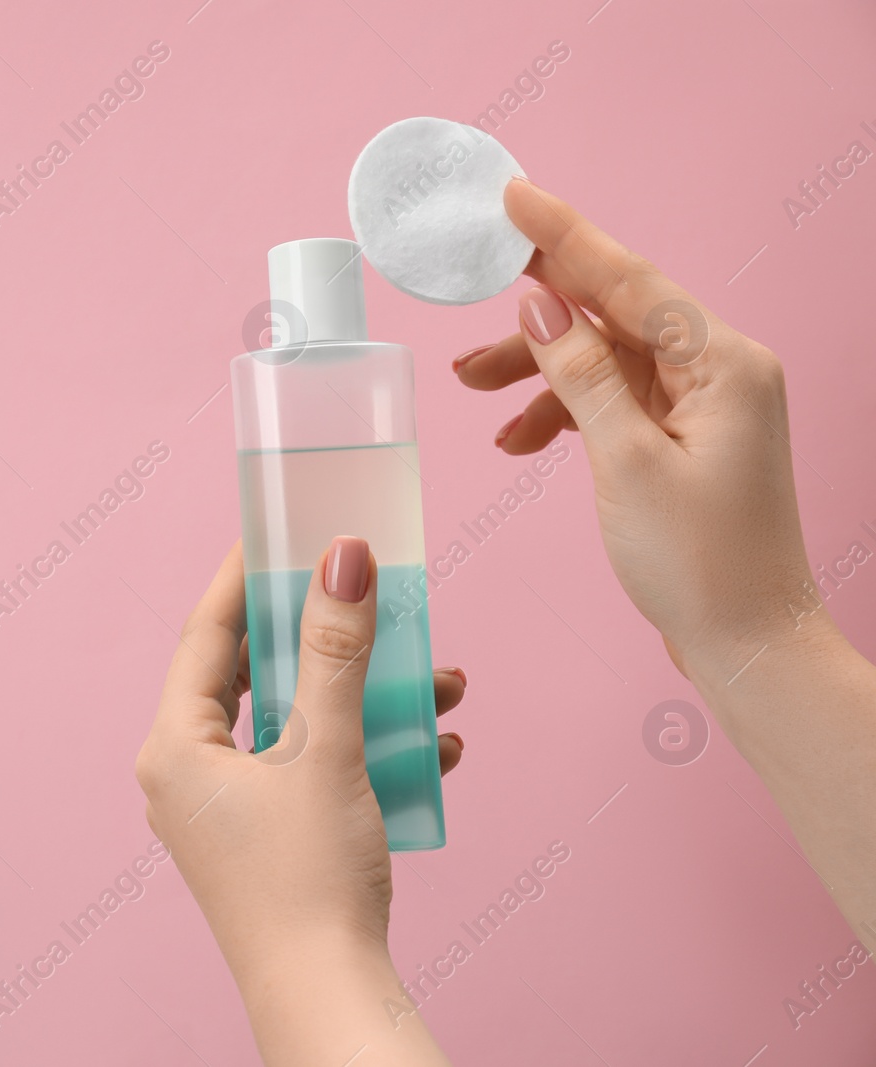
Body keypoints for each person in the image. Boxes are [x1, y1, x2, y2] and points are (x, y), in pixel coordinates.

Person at [135, 177, 876, 1066]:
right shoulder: (285, 383)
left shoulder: (361, 376)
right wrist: (751, 628)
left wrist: (297, 948)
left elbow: (301, 949)